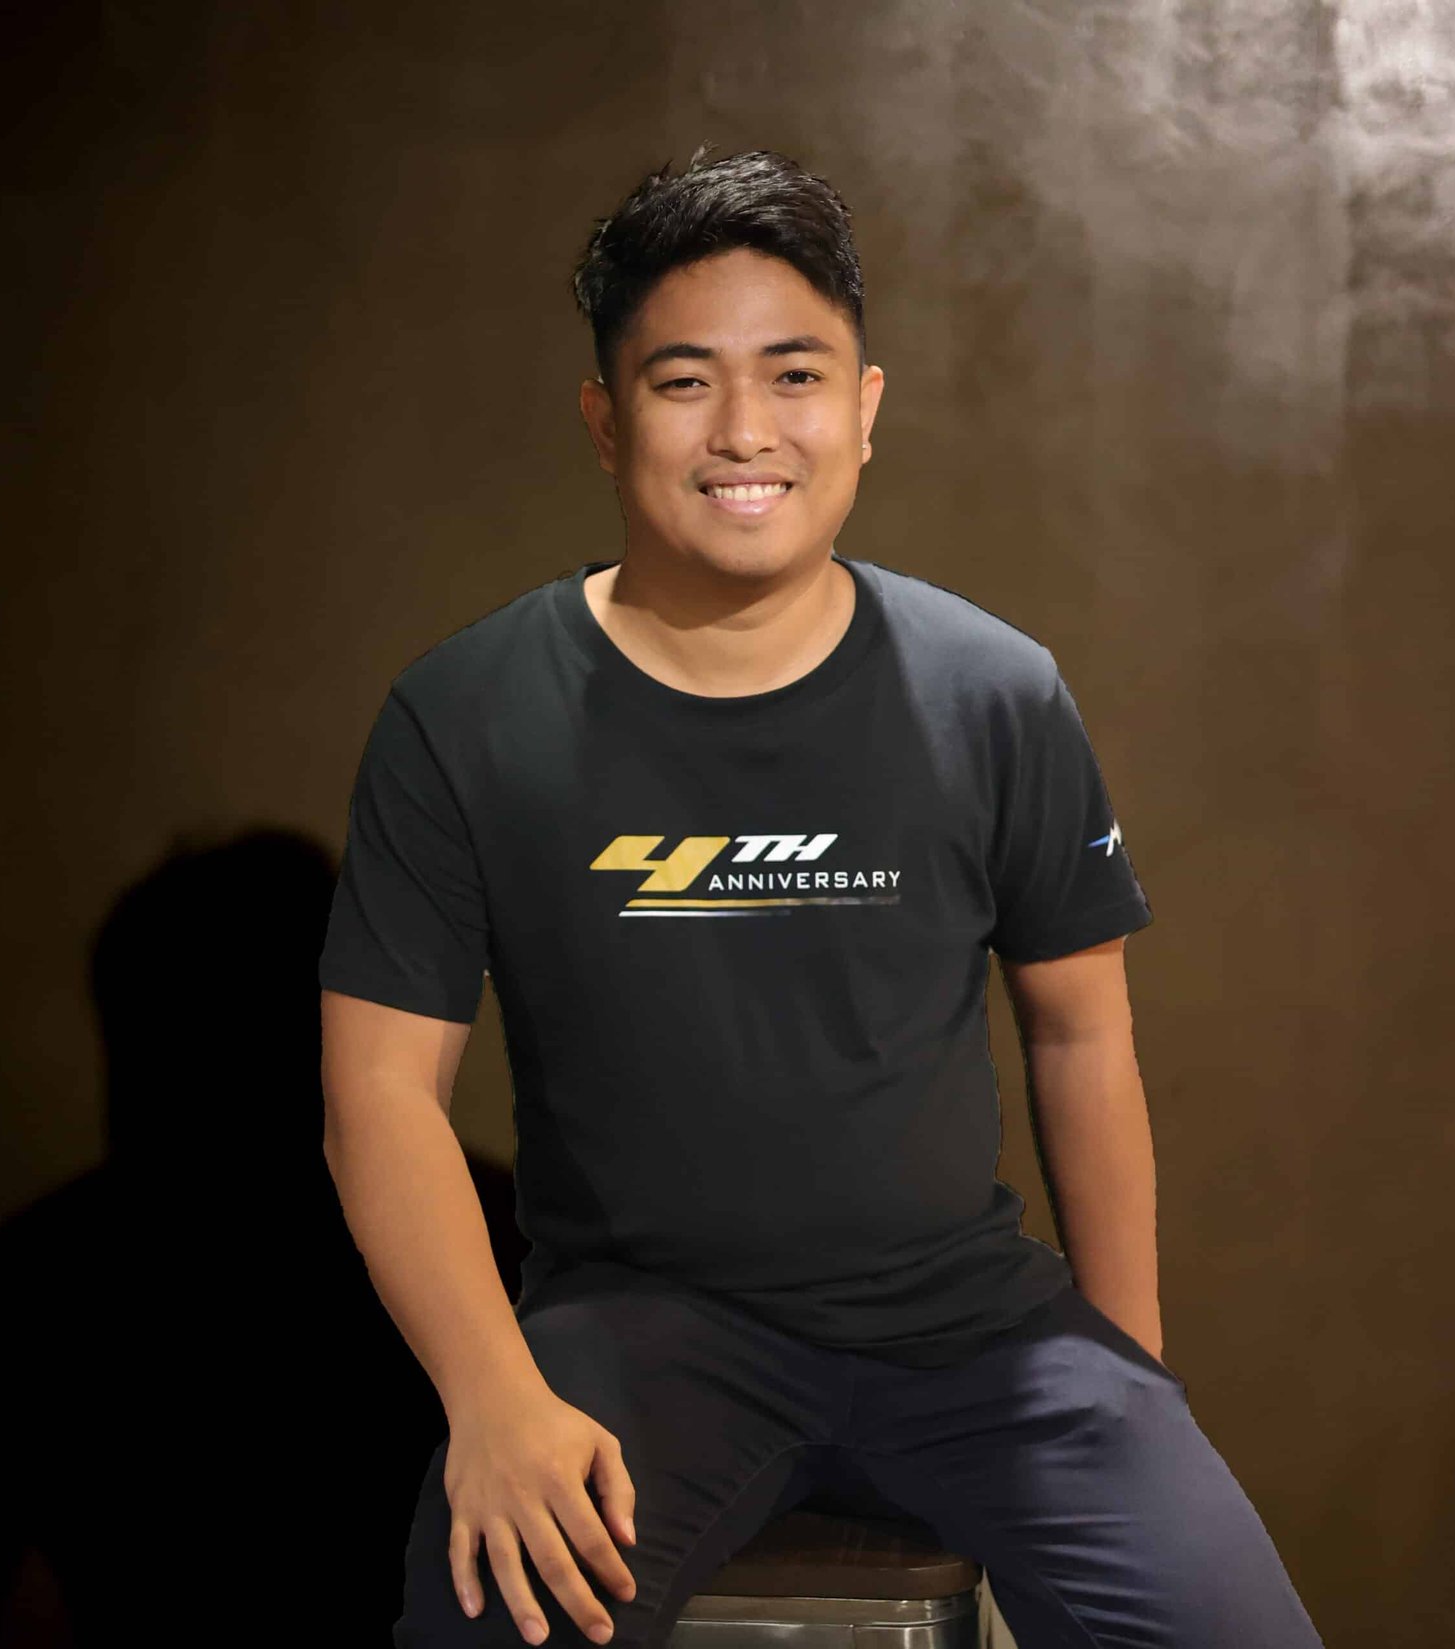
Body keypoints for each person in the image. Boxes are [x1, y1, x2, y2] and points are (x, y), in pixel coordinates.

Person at [318, 144, 1325, 1649]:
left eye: (795, 376)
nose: (746, 431)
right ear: (605, 418)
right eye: (683, 382)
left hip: (973, 1328)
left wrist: (1129, 1369)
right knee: (488, 1619)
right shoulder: (466, 714)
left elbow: (1079, 1036)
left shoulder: (993, 691)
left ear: (863, 408)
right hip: (644, 1335)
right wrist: (491, 1395)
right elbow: (379, 1097)